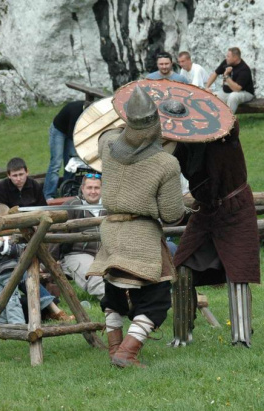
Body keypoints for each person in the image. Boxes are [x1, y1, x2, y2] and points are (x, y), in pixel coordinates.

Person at [87, 86, 185, 368]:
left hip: (110, 230)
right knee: (156, 300)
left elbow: (112, 136)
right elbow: (170, 214)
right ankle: (127, 352)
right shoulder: (167, 163)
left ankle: (114, 346)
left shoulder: (108, 145)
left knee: (114, 293)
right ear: (156, 124)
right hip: (140, 235)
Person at [173, 120, 260, 347]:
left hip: (236, 208)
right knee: (182, 267)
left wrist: (210, 117)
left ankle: (241, 336)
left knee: (238, 272)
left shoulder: (224, 135)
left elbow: (232, 125)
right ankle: (182, 335)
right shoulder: (182, 145)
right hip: (205, 210)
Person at [57, 173, 106, 300]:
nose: (93, 191)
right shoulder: (71, 205)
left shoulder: (109, 205)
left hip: (106, 253)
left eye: (97, 188)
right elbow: (56, 234)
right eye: (89, 188)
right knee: (94, 276)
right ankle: (114, 305)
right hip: (77, 253)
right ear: (83, 188)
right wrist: (50, 261)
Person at [43, 101, 85, 200]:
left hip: (71, 132)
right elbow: (72, 135)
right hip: (59, 130)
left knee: (70, 163)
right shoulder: (76, 112)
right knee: (56, 163)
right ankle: (49, 195)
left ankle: (67, 191)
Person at [205, 47, 254, 113]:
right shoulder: (226, 62)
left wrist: (226, 76)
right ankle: (213, 119)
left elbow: (237, 89)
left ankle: (228, 120)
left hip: (245, 93)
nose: (226, 58)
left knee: (233, 96)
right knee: (211, 96)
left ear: (235, 58)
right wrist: (207, 88)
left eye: (228, 56)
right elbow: (215, 73)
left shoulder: (244, 69)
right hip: (227, 92)